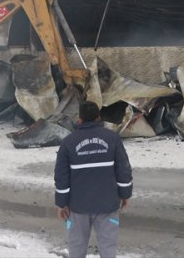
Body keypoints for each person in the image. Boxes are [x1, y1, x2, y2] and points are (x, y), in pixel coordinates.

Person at [54, 101, 133, 258]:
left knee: (76, 247)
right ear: (98, 117)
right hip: (108, 205)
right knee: (108, 247)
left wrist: (62, 204)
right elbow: (123, 170)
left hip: (77, 207)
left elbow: (61, 177)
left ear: (80, 119)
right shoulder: (113, 139)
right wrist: (125, 194)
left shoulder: (68, 143)